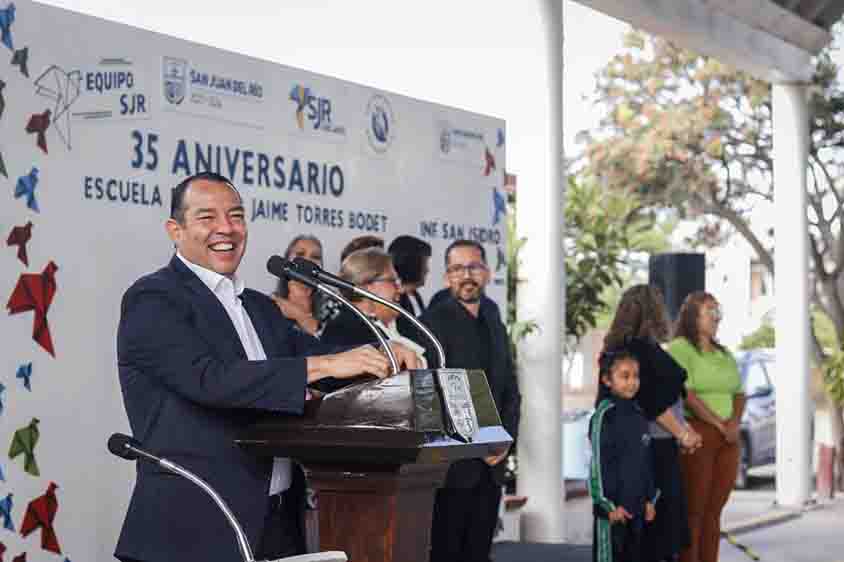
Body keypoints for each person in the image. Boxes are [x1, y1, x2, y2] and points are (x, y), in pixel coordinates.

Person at [114, 172, 418, 562]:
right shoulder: (153, 298)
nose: (226, 228)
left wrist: (383, 352)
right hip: (194, 526)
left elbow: (321, 356)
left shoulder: (258, 307)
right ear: (176, 229)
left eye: (236, 215)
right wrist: (326, 362)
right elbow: (209, 379)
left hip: (274, 521)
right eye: (208, 217)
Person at [421, 239, 521, 562]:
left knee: (479, 552)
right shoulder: (433, 324)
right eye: (457, 268)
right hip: (452, 469)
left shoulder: (494, 320)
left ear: (487, 273)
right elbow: (431, 396)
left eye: (474, 267)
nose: (467, 275)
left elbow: (509, 388)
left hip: (492, 465)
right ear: (447, 277)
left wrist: (505, 440)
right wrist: (477, 443)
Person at [598, 284, 702, 562]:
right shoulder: (637, 352)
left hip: (650, 448)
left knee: (653, 539)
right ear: (654, 311)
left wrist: (683, 431)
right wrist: (683, 433)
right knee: (653, 539)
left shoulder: (625, 348)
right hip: (650, 451)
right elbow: (652, 403)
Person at [668, 292, 745, 562]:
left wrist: (733, 423)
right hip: (699, 433)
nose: (716, 317)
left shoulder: (724, 354)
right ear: (692, 316)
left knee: (714, 512)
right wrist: (717, 423)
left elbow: (738, 392)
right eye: (709, 311)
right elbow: (686, 393)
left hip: (728, 438)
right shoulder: (680, 348)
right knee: (694, 512)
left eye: (718, 311)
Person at [590, 347, 658, 562]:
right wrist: (607, 505)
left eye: (635, 376)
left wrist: (649, 499)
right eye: (624, 376)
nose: (632, 382)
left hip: (637, 509)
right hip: (613, 513)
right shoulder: (604, 416)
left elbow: (645, 462)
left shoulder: (639, 416)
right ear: (607, 380)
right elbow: (598, 466)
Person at [321, 248, 428, 365]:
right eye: (392, 281)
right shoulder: (342, 332)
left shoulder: (406, 325)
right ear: (367, 287)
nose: (400, 289)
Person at [270, 234, 339, 336]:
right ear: (286, 261)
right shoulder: (270, 304)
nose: (307, 261)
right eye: (300, 254)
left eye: (315, 257)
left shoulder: (333, 306)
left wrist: (300, 315)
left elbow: (333, 345)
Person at [387, 235, 432, 336]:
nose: (427, 270)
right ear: (412, 264)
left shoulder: (416, 296)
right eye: (425, 263)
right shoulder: (394, 298)